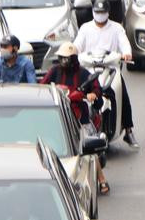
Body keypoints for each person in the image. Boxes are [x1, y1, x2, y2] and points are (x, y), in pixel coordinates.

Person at [41, 42, 109, 194]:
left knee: (89, 149)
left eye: (67, 58)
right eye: (62, 58)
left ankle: (102, 179)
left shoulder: (84, 73)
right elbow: (43, 87)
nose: (64, 61)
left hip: (80, 118)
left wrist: (91, 95)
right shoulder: (54, 72)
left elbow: (97, 90)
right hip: (58, 119)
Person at [73, 0, 137, 147]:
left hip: (110, 70)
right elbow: (77, 45)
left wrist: (126, 53)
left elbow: (124, 44)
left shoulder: (116, 28)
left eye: (102, 12)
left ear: (108, 13)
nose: (100, 15)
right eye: (97, 12)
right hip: (89, 69)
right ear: (93, 12)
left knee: (122, 92)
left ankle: (128, 130)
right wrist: (72, 52)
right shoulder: (85, 28)